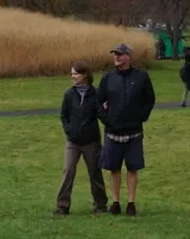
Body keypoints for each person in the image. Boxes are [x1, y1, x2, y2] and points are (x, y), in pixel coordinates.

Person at [96, 42, 155, 216]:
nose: (116, 56)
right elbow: (98, 102)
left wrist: (141, 117)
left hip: (133, 131)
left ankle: (131, 202)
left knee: (132, 168)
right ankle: (115, 202)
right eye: (115, 54)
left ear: (128, 57)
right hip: (112, 131)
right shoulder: (108, 78)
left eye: (120, 54)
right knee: (113, 168)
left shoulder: (141, 77)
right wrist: (106, 119)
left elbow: (149, 100)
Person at [55, 60, 109, 216]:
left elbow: (102, 116)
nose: (72, 76)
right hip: (73, 141)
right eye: (71, 73)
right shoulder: (69, 94)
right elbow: (63, 115)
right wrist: (68, 130)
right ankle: (62, 206)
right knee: (68, 171)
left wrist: (108, 111)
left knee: (95, 173)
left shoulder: (96, 94)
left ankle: (100, 205)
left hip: (91, 141)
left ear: (85, 75)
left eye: (75, 73)